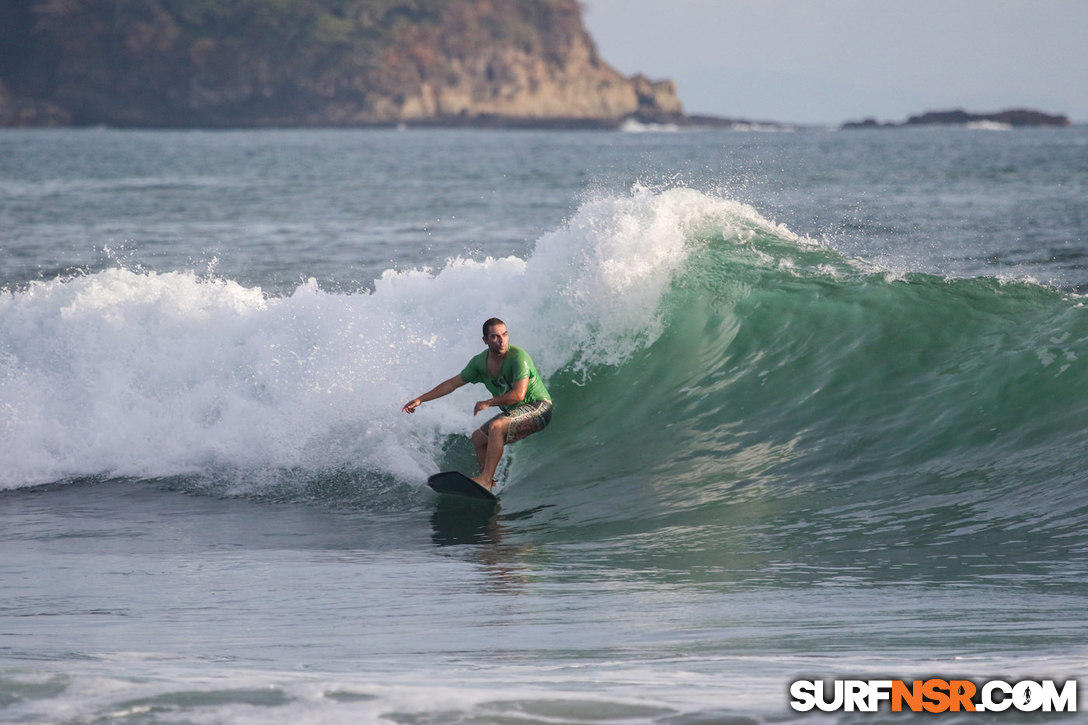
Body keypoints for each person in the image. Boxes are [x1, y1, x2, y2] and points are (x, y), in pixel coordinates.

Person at [402, 318, 553, 491]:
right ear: (485, 340)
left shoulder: (519, 358)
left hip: (539, 408)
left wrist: (488, 402)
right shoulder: (479, 363)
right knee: (479, 438)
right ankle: (488, 485)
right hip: (516, 412)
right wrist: (421, 399)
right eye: (495, 336)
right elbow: (452, 384)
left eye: (504, 334)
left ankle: (485, 479)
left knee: (497, 426)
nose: (502, 340)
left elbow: (518, 395)